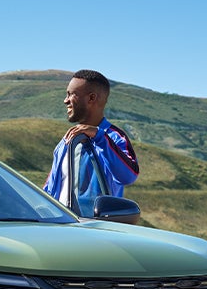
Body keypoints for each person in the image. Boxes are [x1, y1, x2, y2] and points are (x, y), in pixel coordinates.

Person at [41, 69, 140, 214]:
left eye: (71, 94)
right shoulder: (67, 140)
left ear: (91, 98)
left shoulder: (114, 137)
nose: (65, 100)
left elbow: (128, 176)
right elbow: (49, 189)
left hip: (95, 231)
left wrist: (98, 136)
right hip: (59, 229)